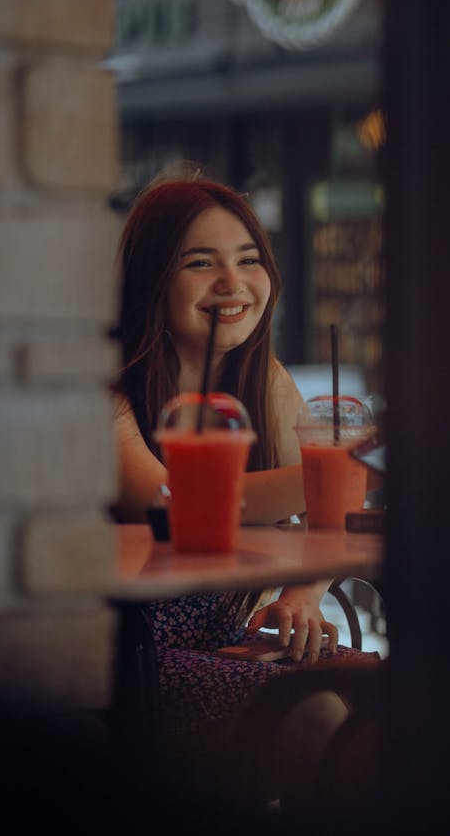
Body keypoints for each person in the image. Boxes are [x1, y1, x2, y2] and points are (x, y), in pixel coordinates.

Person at [112, 165, 380, 813]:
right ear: (153, 280)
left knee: (402, 697)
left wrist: (302, 592)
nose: (233, 284)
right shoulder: (108, 390)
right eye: (201, 263)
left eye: (249, 259)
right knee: (319, 718)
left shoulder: (268, 381)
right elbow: (171, 498)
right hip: (137, 663)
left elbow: (330, 525)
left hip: (238, 634)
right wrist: (338, 464)